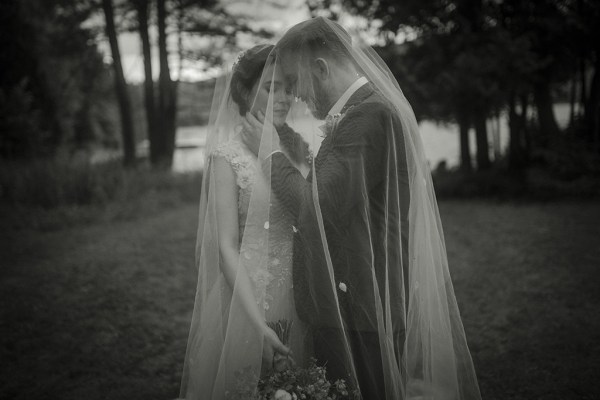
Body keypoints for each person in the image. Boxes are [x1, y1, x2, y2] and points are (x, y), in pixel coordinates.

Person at [241, 17, 482, 400]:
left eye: (296, 81)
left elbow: (314, 207)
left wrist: (270, 151)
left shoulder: (369, 116)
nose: (297, 96)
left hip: (361, 310)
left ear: (320, 69)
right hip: (350, 303)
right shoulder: (361, 111)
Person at [178, 44, 312, 400]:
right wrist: (257, 325)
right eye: (272, 88)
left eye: (288, 88)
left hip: (304, 298)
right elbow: (225, 247)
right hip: (246, 299)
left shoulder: (298, 151)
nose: (284, 98)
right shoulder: (226, 157)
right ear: (245, 92)